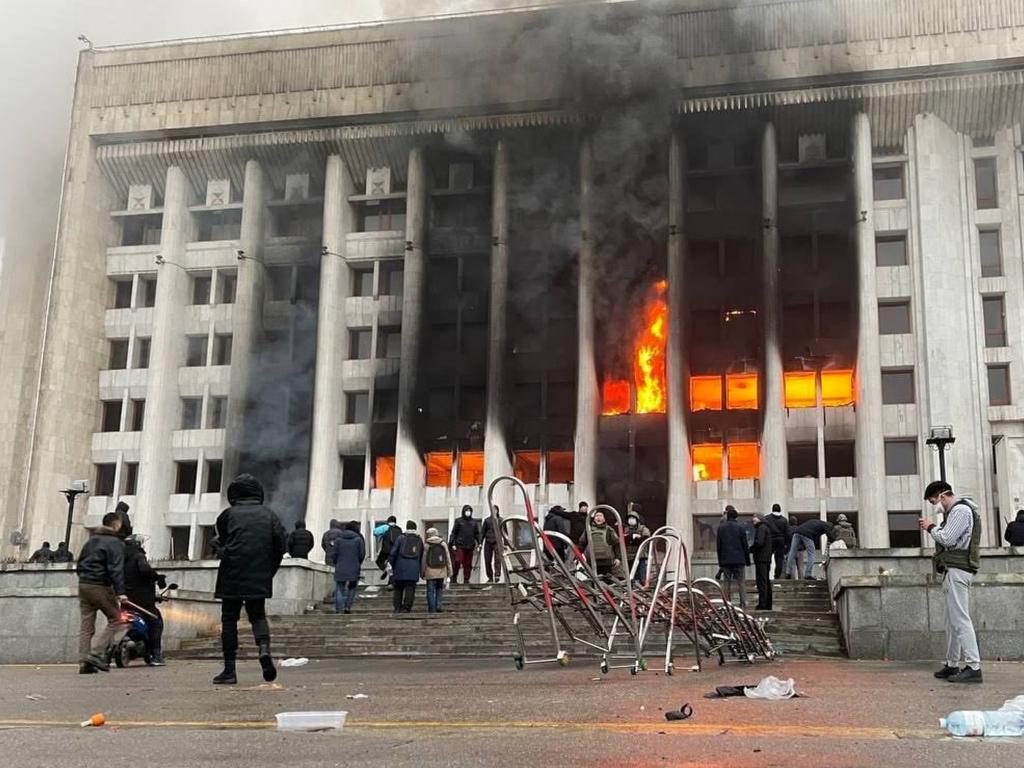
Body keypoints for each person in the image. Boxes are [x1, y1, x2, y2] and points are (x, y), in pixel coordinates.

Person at [212, 474, 288, 686]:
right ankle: (263, 649)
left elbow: (224, 543)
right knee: (257, 615)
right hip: (259, 573)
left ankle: (229, 670)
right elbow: (281, 545)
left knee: (229, 619)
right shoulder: (270, 515)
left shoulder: (227, 515)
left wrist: (219, 548)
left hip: (232, 573)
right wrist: (268, 571)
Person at [920, 480, 983, 684]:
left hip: (958, 569)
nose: (935, 505)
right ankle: (952, 663)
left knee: (960, 619)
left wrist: (930, 527)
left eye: (933, 501)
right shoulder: (956, 512)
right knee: (951, 621)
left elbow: (947, 538)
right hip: (952, 569)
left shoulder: (960, 511)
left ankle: (974, 666)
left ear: (942, 496)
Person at [76, 512, 127, 674]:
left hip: (84, 584)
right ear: (116, 524)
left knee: (86, 625)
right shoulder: (114, 543)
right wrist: (120, 592)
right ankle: (96, 653)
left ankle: (84, 662)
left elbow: (79, 563)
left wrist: (84, 578)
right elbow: (116, 569)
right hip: (100, 585)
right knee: (117, 619)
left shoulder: (91, 540)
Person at [123, 535, 167, 666]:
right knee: (156, 622)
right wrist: (157, 577)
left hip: (125, 600)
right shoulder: (138, 556)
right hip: (142, 602)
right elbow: (145, 570)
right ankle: (156, 654)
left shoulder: (120, 559)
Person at [716, 506, 751, 608]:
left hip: (726, 560)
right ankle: (743, 603)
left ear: (727, 516)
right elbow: (745, 545)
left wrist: (720, 562)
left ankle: (727, 603)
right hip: (739, 559)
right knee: (741, 582)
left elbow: (719, 546)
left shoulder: (721, 528)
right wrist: (747, 560)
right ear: (736, 517)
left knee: (726, 582)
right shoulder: (741, 527)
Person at [329, 521, 364, 614]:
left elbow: (334, 554)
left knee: (339, 588)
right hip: (354, 567)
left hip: (340, 566)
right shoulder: (358, 540)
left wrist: (337, 562)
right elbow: (362, 554)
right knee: (352, 587)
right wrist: (358, 563)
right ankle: (347, 607)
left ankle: (338, 609)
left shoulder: (338, 540)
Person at [389, 521, 423, 613]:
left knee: (398, 588)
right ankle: (407, 607)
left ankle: (397, 607)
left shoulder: (401, 538)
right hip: (413, 568)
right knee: (410, 588)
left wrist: (391, 564)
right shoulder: (419, 540)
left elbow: (393, 552)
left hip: (400, 567)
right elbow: (421, 554)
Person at [579, 510, 622, 577]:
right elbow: (582, 543)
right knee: (594, 581)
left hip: (606, 561)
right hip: (592, 561)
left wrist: (618, 558)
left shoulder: (609, 530)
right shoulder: (588, 529)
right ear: (594, 518)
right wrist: (578, 556)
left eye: (600, 516)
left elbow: (616, 544)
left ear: (604, 518)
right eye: (596, 516)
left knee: (606, 581)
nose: (598, 518)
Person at [422, 527, 453, 613]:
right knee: (439, 589)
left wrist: (422, 572)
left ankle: (432, 609)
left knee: (430, 591)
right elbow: (447, 558)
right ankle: (438, 605)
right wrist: (449, 572)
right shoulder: (443, 544)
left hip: (430, 572)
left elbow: (424, 560)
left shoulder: (427, 545)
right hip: (441, 570)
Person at [449, 505, 481, 584]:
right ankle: (454, 577)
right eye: (466, 510)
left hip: (470, 546)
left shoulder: (474, 522)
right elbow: (453, 533)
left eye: (469, 510)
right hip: (460, 545)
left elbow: (477, 534)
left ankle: (466, 579)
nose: (468, 512)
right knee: (457, 561)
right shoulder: (458, 521)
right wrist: (452, 543)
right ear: (463, 511)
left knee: (468, 564)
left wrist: (479, 543)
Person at [750, 513, 773, 610]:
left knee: (762, 582)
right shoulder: (765, 528)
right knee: (765, 581)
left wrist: (751, 549)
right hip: (765, 558)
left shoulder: (761, 528)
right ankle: (767, 603)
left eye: (754, 521)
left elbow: (759, 542)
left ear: (759, 519)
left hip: (761, 558)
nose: (753, 523)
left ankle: (763, 604)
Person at [623, 505, 651, 582]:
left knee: (642, 576)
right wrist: (631, 537)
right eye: (629, 518)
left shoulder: (643, 529)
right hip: (629, 556)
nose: (631, 520)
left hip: (640, 555)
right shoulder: (625, 530)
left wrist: (636, 538)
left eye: (633, 518)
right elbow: (623, 540)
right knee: (631, 577)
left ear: (637, 520)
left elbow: (646, 539)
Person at [374, 515, 402, 583]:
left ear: (388, 521)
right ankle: (390, 583)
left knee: (379, 561)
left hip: (385, 550)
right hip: (396, 551)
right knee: (392, 565)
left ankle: (384, 568)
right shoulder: (399, 529)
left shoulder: (385, 527)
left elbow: (375, 532)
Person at [763, 503, 788, 578]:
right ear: (780, 510)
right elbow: (787, 533)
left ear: (772, 509)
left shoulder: (767, 518)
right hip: (781, 541)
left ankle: (766, 575)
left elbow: (764, 530)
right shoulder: (784, 520)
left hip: (770, 540)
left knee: (767, 558)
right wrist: (786, 544)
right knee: (779, 560)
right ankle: (777, 576)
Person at [480, 507, 502, 583]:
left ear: (497, 511)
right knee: (487, 560)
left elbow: (505, 533)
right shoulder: (487, 520)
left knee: (498, 559)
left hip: (497, 542)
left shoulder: (501, 520)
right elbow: (482, 532)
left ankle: (497, 575)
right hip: (488, 541)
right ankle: (490, 576)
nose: (494, 511)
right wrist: (480, 543)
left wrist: (506, 544)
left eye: (495, 510)